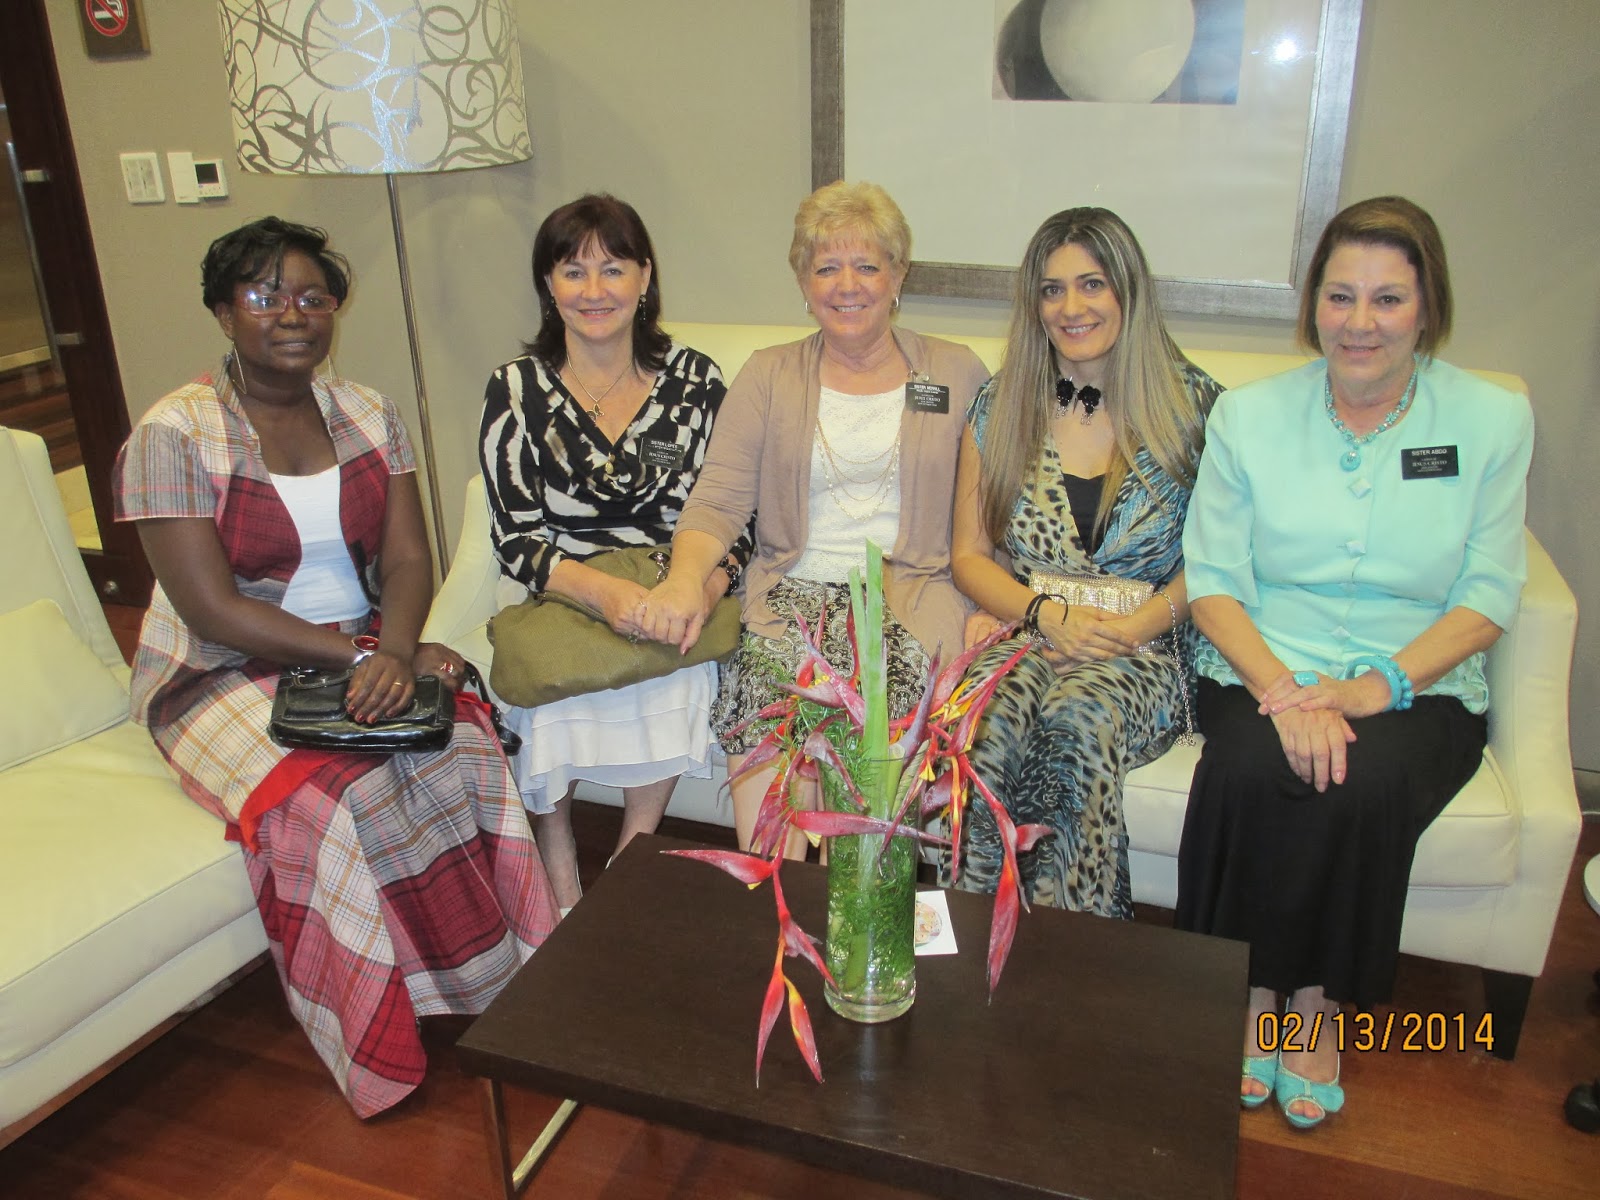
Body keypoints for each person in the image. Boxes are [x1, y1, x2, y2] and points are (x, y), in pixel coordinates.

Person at [113, 217, 558, 1118]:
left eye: (313, 297)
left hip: (359, 643)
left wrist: (393, 649)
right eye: (264, 295)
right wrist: (370, 655)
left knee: (465, 745)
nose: (292, 313)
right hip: (219, 670)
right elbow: (213, 610)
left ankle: (492, 982)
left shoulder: (368, 411)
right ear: (222, 312)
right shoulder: (173, 433)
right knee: (332, 799)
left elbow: (408, 556)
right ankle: (378, 1038)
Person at [1175, 196, 1533, 1128]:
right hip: (1262, 665)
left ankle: (1315, 1010)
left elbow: (1489, 595)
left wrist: (1375, 689)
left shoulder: (1492, 419)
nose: (1360, 323)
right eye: (1340, 297)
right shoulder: (1250, 416)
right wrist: (1285, 690)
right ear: (1313, 305)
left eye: (1387, 299)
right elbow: (1213, 581)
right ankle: (1254, 995)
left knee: (1360, 781)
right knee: (1248, 767)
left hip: (1419, 679)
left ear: (1427, 306)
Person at [638, 180, 989, 855]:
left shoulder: (956, 371)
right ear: (803, 282)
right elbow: (718, 499)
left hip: (912, 597)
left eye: (867, 265)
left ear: (898, 275)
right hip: (790, 597)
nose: (847, 285)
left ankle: (860, 891)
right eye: (826, 267)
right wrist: (683, 579)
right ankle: (772, 887)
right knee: (766, 692)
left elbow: (988, 506)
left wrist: (986, 604)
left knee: (882, 707)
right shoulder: (769, 375)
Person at [946, 207, 1221, 916]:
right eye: (1052, 289)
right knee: (984, 723)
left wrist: (1127, 630)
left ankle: (1074, 948)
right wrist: (1045, 617)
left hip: (1145, 642)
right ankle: (970, 930)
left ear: (1128, 289)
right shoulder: (998, 405)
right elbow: (969, 557)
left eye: (1092, 284)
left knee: (1075, 722)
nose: (1071, 307)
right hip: (1033, 626)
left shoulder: (1197, 409)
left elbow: (1216, 562)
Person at [479, 194, 751, 911]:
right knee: (546, 681)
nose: (594, 290)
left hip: (669, 579)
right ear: (548, 285)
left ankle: (631, 859)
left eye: (613, 269)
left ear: (644, 277)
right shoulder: (516, 390)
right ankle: (559, 868)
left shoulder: (695, 382)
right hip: (563, 584)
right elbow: (515, 536)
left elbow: (737, 510)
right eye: (573, 271)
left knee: (674, 665)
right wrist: (602, 595)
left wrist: (702, 590)